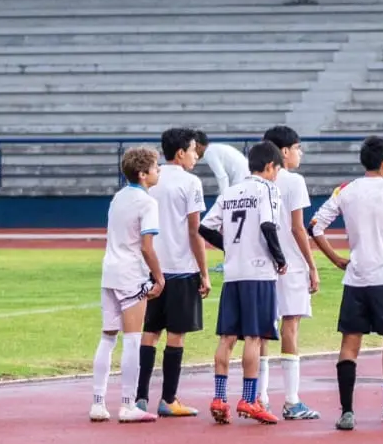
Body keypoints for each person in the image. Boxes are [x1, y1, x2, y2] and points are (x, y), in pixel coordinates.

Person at [308, 135, 383, 432]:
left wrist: (337, 259)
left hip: (356, 277)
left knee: (350, 344)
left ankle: (347, 412)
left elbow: (316, 226)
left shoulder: (346, 190)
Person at [202, 141, 287, 426]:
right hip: (259, 271)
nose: (276, 174)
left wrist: (228, 247)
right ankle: (249, 399)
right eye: (277, 169)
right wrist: (280, 258)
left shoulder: (231, 191)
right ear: (270, 166)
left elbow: (204, 227)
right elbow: (268, 225)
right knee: (254, 336)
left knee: (227, 337)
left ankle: (218, 397)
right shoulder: (267, 189)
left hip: (233, 273)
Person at [136, 128, 209, 418]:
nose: (196, 156)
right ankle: (168, 398)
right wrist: (204, 272)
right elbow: (194, 231)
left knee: (149, 332)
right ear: (180, 153)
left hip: (151, 268)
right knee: (176, 334)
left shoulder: (150, 178)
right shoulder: (191, 182)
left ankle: (140, 396)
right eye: (193, 151)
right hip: (180, 267)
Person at [91, 147, 164, 423]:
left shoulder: (118, 197)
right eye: (155, 168)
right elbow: (147, 247)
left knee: (108, 337)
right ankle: (127, 403)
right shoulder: (147, 203)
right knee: (132, 340)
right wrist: (159, 276)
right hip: (131, 273)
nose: (158, 172)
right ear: (143, 174)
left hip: (109, 270)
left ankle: (98, 402)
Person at [263, 125, 321, 420]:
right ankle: (291, 399)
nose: (300, 154)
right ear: (284, 151)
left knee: (260, 331)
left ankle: (259, 397)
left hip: (262, 262)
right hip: (291, 263)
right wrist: (312, 265)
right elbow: (298, 227)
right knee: (290, 326)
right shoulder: (293, 181)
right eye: (297, 148)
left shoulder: (255, 181)